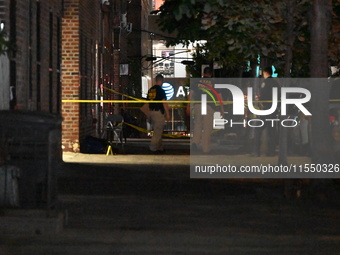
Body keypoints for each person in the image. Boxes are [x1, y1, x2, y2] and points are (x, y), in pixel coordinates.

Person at [187, 67, 224, 153]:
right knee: (207, 127)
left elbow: (190, 94)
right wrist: (222, 108)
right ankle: (205, 148)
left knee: (198, 125)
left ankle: (195, 143)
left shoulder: (197, 82)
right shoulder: (214, 83)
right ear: (211, 74)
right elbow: (219, 96)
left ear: (203, 73)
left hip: (198, 105)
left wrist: (188, 106)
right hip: (208, 106)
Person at [251, 66, 279, 157]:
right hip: (273, 109)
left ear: (266, 73)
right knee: (272, 131)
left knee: (259, 129)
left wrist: (259, 99)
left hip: (266, 108)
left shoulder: (265, 83)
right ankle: (271, 151)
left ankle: (256, 151)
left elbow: (263, 95)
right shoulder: (275, 83)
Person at [147, 74, 170, 153]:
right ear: (161, 81)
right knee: (158, 131)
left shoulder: (151, 90)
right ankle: (153, 148)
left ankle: (160, 147)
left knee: (157, 129)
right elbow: (164, 102)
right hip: (158, 112)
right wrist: (167, 114)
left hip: (151, 111)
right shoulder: (161, 90)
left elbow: (147, 103)